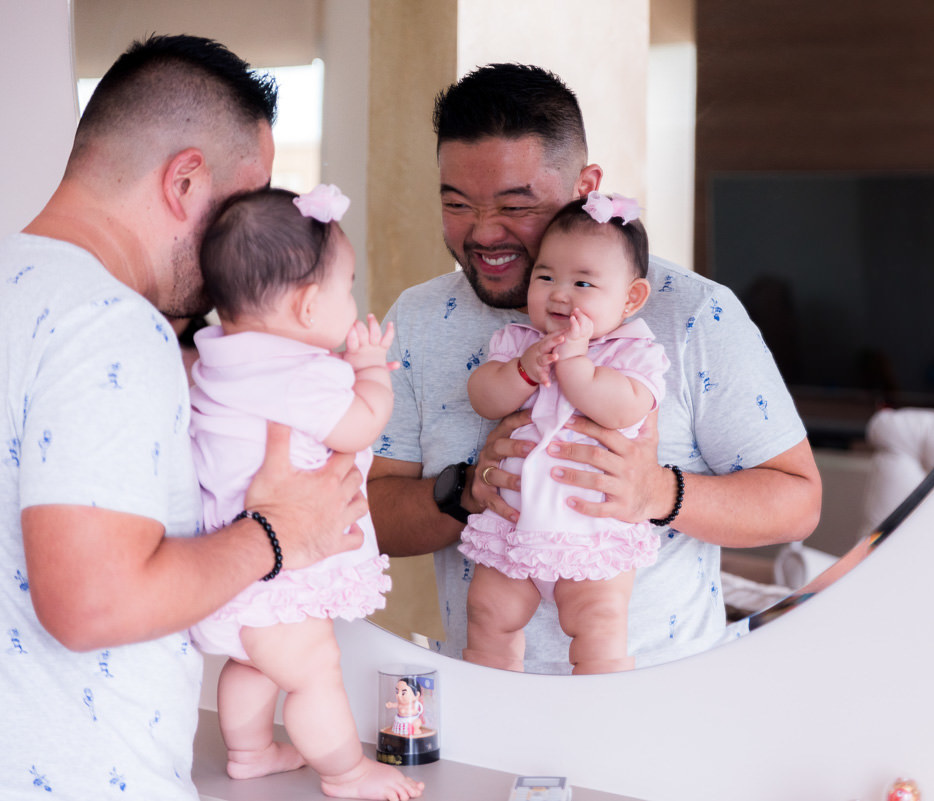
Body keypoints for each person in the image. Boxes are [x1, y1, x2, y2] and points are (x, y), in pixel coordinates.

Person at [0, 36, 366, 800]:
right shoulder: (109, 324)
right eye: (241, 208)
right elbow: (91, 603)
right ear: (185, 180)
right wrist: (276, 534)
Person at [368, 63, 822, 674]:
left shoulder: (694, 313)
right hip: (487, 691)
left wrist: (655, 491)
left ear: (586, 187)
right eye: (457, 204)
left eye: (514, 205)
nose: (484, 232)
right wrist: (465, 491)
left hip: (655, 696)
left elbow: (797, 502)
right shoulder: (421, 318)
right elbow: (369, 514)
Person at [187, 186, 422, 800]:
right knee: (314, 671)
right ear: (310, 306)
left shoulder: (216, 362)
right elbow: (359, 427)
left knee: (252, 662)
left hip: (232, 566)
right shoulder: (305, 376)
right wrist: (369, 374)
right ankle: (346, 773)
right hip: (284, 570)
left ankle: (250, 752)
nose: (353, 302)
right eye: (348, 289)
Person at [459, 192, 667, 674]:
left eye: (583, 283)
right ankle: (491, 696)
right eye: (546, 276)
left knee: (599, 622)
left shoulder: (633, 352)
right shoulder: (519, 343)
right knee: (487, 612)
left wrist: (575, 364)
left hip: (591, 532)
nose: (559, 294)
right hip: (515, 527)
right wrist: (522, 371)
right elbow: (483, 396)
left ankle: (597, 710)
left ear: (631, 298)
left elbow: (625, 407)